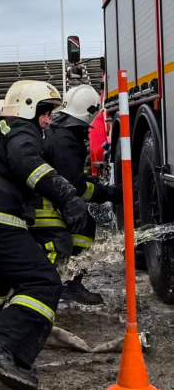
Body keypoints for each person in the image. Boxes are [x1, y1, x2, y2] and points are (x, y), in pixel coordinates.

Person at [0, 80, 92, 390]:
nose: (47, 120)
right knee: (42, 282)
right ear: (27, 107)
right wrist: (68, 196)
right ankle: (2, 351)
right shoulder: (20, 130)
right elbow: (30, 166)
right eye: (43, 112)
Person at [30, 84, 122, 304]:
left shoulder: (57, 132)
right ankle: (64, 285)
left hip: (36, 201)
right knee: (82, 224)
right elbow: (76, 188)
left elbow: (70, 176)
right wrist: (111, 193)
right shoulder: (67, 141)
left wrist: (93, 183)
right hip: (44, 207)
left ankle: (62, 283)